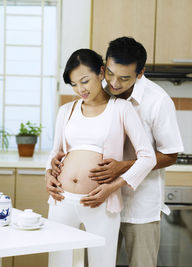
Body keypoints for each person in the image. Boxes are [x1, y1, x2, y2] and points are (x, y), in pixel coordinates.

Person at [50, 37, 184, 267]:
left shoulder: (157, 101)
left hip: (138, 201)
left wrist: (122, 169)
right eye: (110, 73)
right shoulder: (92, 92)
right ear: (103, 68)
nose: (114, 83)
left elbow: (170, 155)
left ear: (140, 73)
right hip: (97, 202)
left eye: (124, 78)